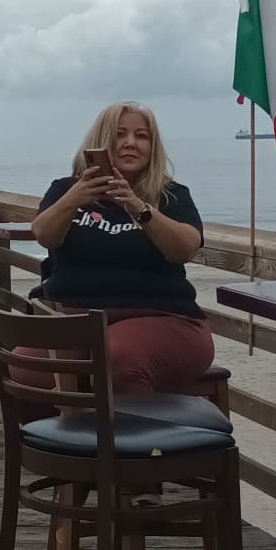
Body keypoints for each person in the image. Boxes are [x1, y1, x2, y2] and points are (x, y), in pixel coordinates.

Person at [28, 101, 213, 395]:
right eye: (119, 134)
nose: (130, 143)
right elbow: (44, 235)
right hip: (78, 318)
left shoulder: (171, 196)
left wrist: (139, 207)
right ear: (101, 141)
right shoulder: (65, 190)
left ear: (153, 147)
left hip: (162, 317)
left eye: (141, 136)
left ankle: (133, 440)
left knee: (117, 358)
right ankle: (61, 439)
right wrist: (73, 199)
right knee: (26, 366)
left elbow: (185, 248)